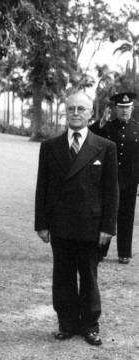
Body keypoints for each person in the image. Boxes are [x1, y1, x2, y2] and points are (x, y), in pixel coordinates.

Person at [35, 92, 118, 346]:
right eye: (70, 109)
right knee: (63, 275)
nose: (75, 113)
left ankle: (90, 325)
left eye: (81, 109)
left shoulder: (105, 147)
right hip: (60, 224)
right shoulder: (50, 146)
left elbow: (111, 191)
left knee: (89, 277)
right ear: (65, 112)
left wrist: (107, 227)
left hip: (90, 225)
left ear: (90, 113)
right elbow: (43, 186)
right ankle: (66, 323)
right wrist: (42, 223)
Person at [90, 92, 139, 264]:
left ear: (132, 108)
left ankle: (124, 253)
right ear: (115, 109)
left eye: (127, 107)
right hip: (109, 181)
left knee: (126, 217)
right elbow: (90, 136)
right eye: (121, 108)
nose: (124, 111)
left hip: (130, 182)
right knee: (107, 215)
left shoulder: (137, 129)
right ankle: (100, 251)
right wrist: (101, 123)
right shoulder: (107, 127)